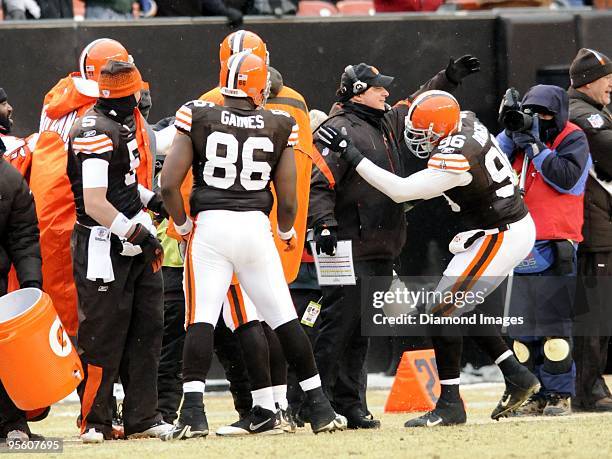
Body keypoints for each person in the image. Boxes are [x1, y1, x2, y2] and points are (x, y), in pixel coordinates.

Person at [319, 90, 540, 426]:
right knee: (459, 304)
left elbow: (400, 190)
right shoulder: (464, 121)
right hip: (499, 226)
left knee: (441, 311)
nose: (417, 140)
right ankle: (515, 374)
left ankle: (451, 403)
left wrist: (351, 154)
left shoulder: (455, 155)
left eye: (424, 133)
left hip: (501, 233)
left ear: (440, 129)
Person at [160, 51, 346, 440]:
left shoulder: (197, 113)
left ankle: (193, 412)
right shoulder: (280, 122)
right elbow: (290, 197)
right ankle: (319, 406)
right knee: (283, 317)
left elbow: (167, 184)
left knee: (200, 318)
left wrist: (181, 224)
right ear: (260, 86)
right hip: (257, 228)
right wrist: (284, 232)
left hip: (211, 226)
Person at [308, 57, 479, 429]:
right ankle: (311, 401)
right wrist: (322, 224)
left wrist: (446, 79)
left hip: (381, 244)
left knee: (360, 331)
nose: (387, 91)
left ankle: (351, 405)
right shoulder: (335, 130)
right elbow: (318, 183)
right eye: (378, 87)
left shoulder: (383, 119)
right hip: (345, 244)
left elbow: (417, 104)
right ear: (358, 93)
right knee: (337, 327)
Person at [67, 60, 171, 443]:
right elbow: (95, 201)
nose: (142, 97)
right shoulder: (93, 130)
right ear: (126, 94)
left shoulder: (120, 125)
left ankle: (142, 417)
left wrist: (151, 199)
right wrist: (135, 231)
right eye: (137, 91)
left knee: (148, 328)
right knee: (102, 334)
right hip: (102, 244)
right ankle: (94, 419)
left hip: (131, 239)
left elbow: (120, 185)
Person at [30, 38, 155, 340]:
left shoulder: (60, 96)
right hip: (93, 221)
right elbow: (115, 184)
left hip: (51, 215)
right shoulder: (101, 119)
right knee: (104, 322)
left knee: (68, 311)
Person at [496, 84, 591, 416]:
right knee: (522, 329)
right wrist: (509, 131)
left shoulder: (573, 137)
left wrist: (538, 147)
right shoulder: (517, 137)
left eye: (546, 113)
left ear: (560, 112)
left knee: (554, 327)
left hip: (556, 242)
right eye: (532, 112)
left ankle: (558, 394)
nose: (539, 119)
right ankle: (533, 391)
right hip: (520, 241)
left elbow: (566, 179)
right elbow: (490, 162)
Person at [567, 48, 612, 412]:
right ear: (588, 82)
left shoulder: (597, 111)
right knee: (594, 312)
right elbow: (607, 148)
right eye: (606, 77)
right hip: (591, 228)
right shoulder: (581, 114)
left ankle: (592, 386)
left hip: (601, 224)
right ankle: (587, 390)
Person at [0, 138, 43, 443]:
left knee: (5, 355)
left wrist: (31, 286)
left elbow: (24, 236)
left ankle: (11, 423)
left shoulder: (10, 179)